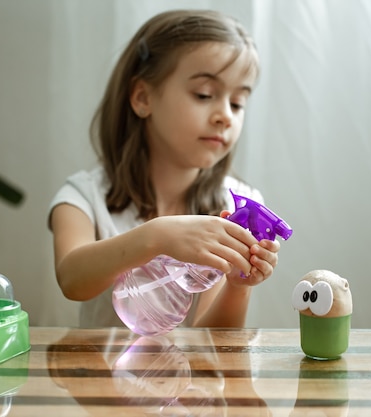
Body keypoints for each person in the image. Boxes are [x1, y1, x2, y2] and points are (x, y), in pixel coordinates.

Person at [48, 9, 282, 329]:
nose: (226, 116)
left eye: (238, 103)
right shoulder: (82, 197)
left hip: (191, 380)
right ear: (143, 97)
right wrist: (157, 236)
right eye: (204, 94)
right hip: (97, 378)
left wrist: (238, 286)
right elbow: (72, 280)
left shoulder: (236, 206)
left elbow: (211, 342)